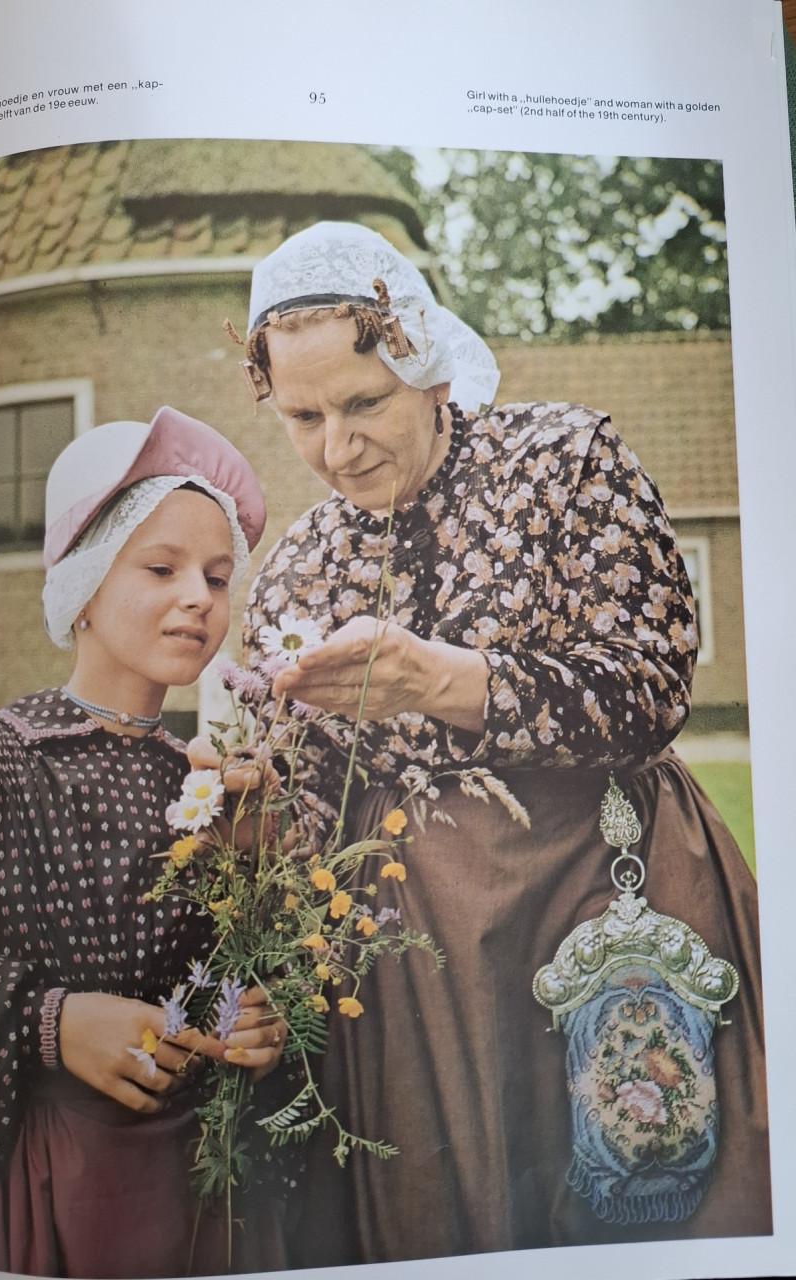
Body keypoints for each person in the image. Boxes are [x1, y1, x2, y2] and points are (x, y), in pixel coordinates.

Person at [234, 222, 771, 1263]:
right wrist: (246, 813)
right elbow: (300, 804)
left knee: (644, 1185)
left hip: (610, 908)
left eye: (362, 404)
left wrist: (444, 680)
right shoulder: (294, 568)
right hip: (419, 979)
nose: (335, 447)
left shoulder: (565, 461)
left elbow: (649, 683)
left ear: (427, 367)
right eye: (301, 416)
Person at [0, 406, 290, 1279]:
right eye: (160, 568)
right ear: (83, 585)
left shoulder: (210, 782)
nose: (198, 598)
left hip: (196, 1191)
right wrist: (52, 1025)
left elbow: (226, 966)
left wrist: (258, 1015)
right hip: (42, 1179)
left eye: (215, 575)